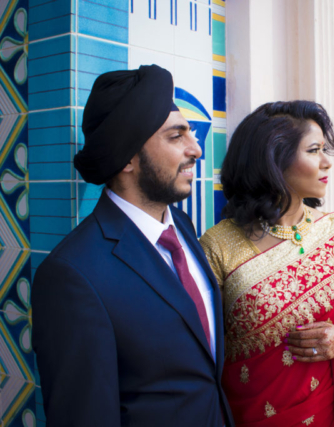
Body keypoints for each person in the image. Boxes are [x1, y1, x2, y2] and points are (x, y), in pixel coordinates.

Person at [31, 65, 233, 427]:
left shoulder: (183, 227)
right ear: (127, 157)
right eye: (176, 136)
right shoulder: (72, 275)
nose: (196, 148)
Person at [199, 101, 334, 427]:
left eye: (325, 150)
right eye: (314, 150)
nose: (326, 162)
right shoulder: (219, 246)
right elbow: (200, 352)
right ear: (273, 159)